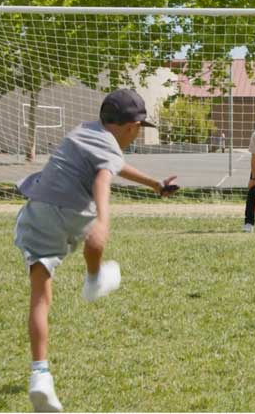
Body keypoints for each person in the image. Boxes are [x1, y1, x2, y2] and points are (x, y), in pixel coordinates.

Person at [14, 89, 178, 412]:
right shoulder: (111, 147)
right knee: (90, 234)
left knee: (40, 297)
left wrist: (155, 185)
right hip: (76, 212)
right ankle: (92, 279)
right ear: (131, 126)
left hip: (39, 210)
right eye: (138, 129)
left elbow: (114, 166)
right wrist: (102, 220)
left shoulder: (82, 131)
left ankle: (40, 375)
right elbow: (104, 178)